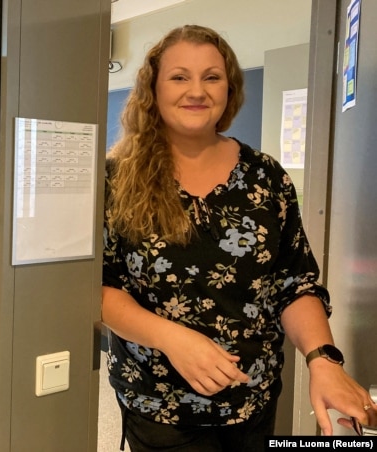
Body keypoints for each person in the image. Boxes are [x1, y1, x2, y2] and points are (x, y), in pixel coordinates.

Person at [101, 25, 375, 451]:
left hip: (254, 401)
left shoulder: (265, 176)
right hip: (158, 406)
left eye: (212, 77)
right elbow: (98, 287)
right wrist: (172, 338)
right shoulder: (116, 178)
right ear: (152, 89)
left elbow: (293, 283)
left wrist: (323, 360)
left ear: (229, 88)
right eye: (179, 77)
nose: (197, 90)